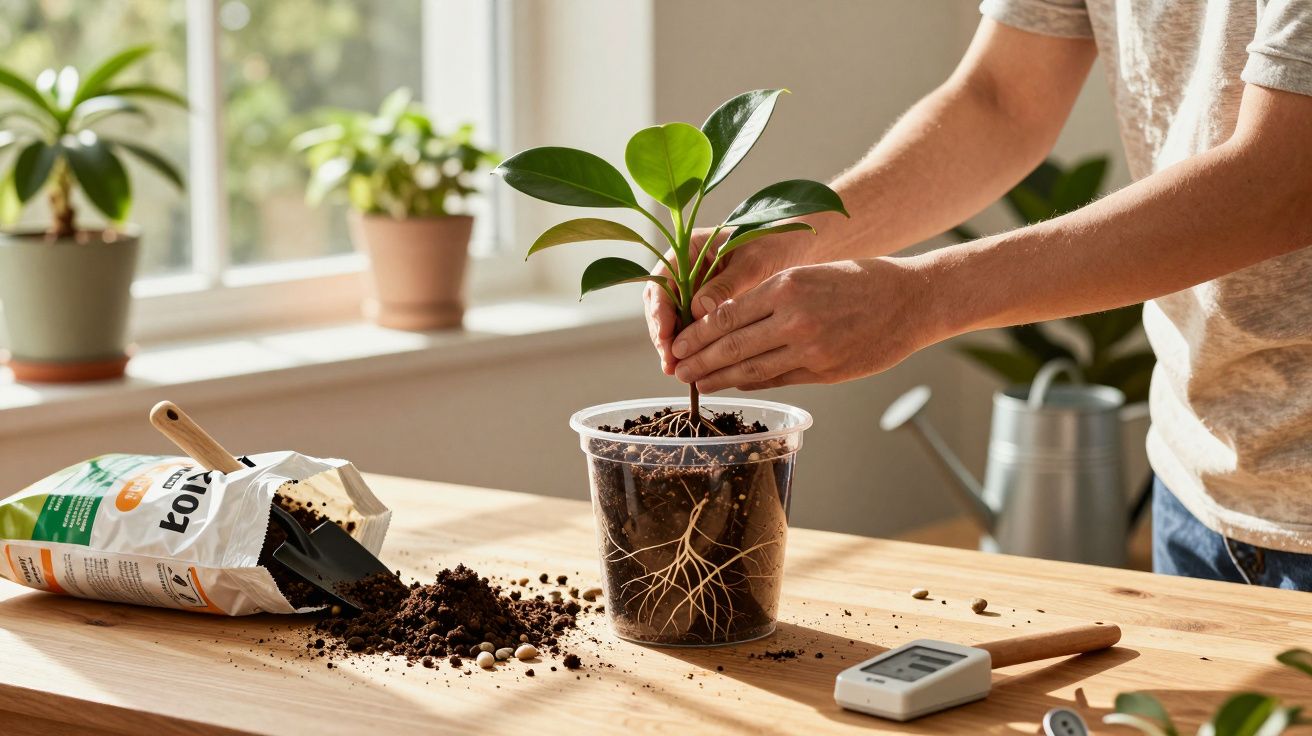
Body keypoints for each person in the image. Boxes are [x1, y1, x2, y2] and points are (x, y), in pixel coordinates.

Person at [645, 1, 1312, 590]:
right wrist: (788, 233)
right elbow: (1001, 100)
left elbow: (1282, 179)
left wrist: (922, 299)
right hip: (1196, 481)